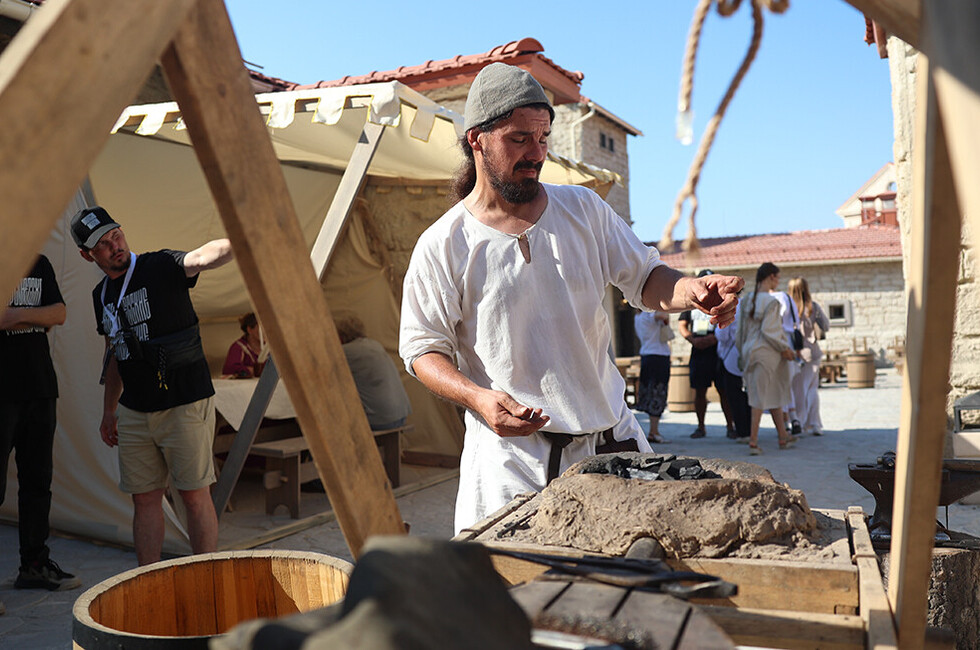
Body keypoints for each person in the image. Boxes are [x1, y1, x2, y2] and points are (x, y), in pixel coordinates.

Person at [398, 63, 743, 533]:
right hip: (512, 466)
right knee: (516, 595)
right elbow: (422, 350)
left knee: (631, 589)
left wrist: (691, 289)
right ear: (476, 138)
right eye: (519, 139)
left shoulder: (584, 209)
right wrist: (477, 398)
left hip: (611, 447)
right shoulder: (444, 243)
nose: (536, 153)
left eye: (543, 137)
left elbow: (645, 278)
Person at [71, 205, 233, 566]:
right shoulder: (100, 297)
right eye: (103, 243)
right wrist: (108, 409)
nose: (115, 245)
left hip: (184, 400)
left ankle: (206, 576)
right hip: (135, 409)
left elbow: (202, 257)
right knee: (144, 499)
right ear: (87, 255)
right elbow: (114, 353)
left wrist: (241, 239)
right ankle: (149, 580)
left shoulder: (157, 266)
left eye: (116, 234)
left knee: (193, 494)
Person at [0, 255, 80, 597]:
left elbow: (59, 313)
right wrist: (37, 316)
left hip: (39, 386)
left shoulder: (38, 260)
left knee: (37, 481)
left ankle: (34, 565)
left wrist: (12, 317)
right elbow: (47, 315)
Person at [736, 262, 796, 454]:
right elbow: (770, 331)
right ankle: (753, 442)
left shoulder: (746, 300)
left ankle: (782, 436)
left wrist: (742, 352)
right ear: (771, 277)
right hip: (767, 352)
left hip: (750, 351)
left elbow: (741, 332)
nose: (778, 281)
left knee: (773, 393)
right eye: (777, 277)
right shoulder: (772, 302)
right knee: (759, 398)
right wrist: (785, 348)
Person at [678, 269, 735, 439]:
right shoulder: (691, 302)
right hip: (698, 349)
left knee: (724, 391)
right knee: (699, 391)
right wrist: (692, 340)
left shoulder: (721, 301)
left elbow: (729, 323)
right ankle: (700, 427)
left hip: (717, 350)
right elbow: (682, 325)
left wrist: (716, 339)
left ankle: (730, 427)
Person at [336, 313, 411, 431]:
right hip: (401, 415)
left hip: (381, 420)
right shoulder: (375, 345)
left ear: (340, 336)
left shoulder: (346, 352)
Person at [788, 277, 830, 436]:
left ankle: (801, 421)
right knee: (812, 389)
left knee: (799, 389)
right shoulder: (813, 308)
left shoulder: (788, 309)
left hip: (795, 353)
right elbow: (826, 325)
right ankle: (814, 424)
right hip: (813, 351)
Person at [766, 269, 802, 434]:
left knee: (780, 385)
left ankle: (786, 421)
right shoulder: (787, 297)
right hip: (788, 342)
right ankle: (792, 418)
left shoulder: (773, 298)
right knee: (786, 383)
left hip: (777, 343)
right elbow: (796, 323)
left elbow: (775, 321)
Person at [715, 292, 751, 441]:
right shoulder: (748, 305)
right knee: (747, 395)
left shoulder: (728, 308)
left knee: (735, 396)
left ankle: (742, 431)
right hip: (748, 353)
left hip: (730, 356)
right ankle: (750, 430)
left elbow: (722, 335)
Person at [633, 309, 671, 444]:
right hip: (658, 356)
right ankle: (654, 431)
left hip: (646, 354)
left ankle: (653, 430)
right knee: (658, 392)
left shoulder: (638, 317)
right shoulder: (650, 315)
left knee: (650, 392)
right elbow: (663, 314)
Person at [222, 312, 266, 378]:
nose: (266, 331)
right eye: (262, 327)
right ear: (250, 330)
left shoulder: (270, 349)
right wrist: (253, 370)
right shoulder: (238, 347)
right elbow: (229, 369)